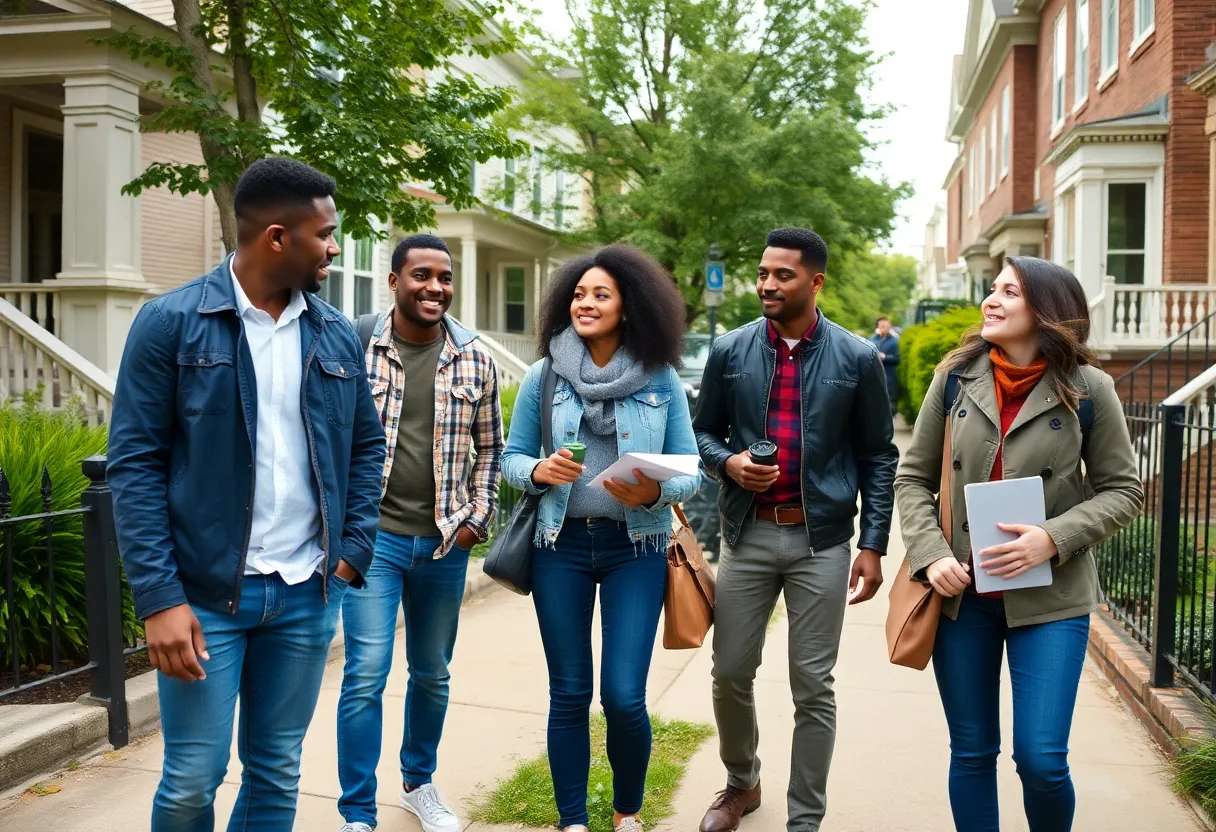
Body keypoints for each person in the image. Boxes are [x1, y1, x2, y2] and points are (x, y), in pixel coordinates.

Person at [107, 157, 385, 831]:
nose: (334, 247)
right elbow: (135, 465)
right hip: (204, 600)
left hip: (305, 595)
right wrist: (160, 599)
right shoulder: (170, 324)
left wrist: (349, 555)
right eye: (325, 234)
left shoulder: (333, 332)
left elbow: (366, 447)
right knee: (192, 779)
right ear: (277, 239)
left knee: (276, 772)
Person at [894, 256, 1143, 832]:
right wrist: (931, 555)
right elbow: (912, 478)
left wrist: (1051, 539)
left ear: (1047, 312)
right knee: (973, 753)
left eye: (1010, 291)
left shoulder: (1091, 388)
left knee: (1041, 760)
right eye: (993, 287)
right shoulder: (955, 376)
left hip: (1050, 599)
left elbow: (1124, 490)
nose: (991, 298)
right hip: (963, 598)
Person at [692, 227, 898, 832]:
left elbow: (878, 456)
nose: (767, 285)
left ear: (815, 281)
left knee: (813, 686)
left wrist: (873, 543)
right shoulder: (730, 352)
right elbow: (702, 434)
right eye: (762, 273)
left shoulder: (856, 358)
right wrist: (727, 463)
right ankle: (741, 782)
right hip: (747, 534)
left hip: (822, 542)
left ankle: (804, 819)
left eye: (782, 274)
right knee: (730, 671)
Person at [500, 244, 701, 832]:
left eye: (600, 294)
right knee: (568, 693)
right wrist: (538, 471)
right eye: (579, 293)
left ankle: (627, 813)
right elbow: (512, 459)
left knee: (623, 696)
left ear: (629, 306)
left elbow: (689, 465)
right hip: (558, 546)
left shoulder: (660, 377)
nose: (585, 303)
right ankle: (572, 821)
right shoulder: (545, 373)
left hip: (634, 548)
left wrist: (655, 494)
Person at [336, 234, 504, 832]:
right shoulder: (357, 348)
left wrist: (476, 520)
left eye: (445, 277)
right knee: (366, 673)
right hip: (373, 541)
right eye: (422, 276)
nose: (435, 287)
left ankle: (418, 783)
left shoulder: (475, 359)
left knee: (432, 672)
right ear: (395, 281)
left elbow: (492, 451)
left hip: (443, 543)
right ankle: (357, 811)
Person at [870, 315, 900, 416]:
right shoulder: (872, 340)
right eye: (881, 325)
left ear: (889, 326)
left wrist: (885, 357)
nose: (883, 327)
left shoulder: (895, 341)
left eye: (885, 325)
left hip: (889, 374)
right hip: (874, 374)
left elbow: (897, 358)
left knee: (889, 400)